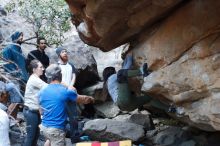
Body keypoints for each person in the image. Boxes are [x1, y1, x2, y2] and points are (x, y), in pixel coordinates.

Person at [39, 64, 94, 146]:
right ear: (60, 75)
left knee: (49, 140)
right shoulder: (65, 91)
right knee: (54, 138)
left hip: (44, 127)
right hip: (56, 130)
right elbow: (82, 99)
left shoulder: (43, 91)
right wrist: (91, 98)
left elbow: (41, 110)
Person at [103, 52, 170, 111]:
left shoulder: (108, 84)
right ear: (111, 72)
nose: (116, 72)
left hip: (126, 107)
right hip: (123, 101)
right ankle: (141, 71)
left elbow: (125, 71)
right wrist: (129, 56)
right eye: (115, 71)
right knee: (121, 73)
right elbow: (125, 69)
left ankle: (170, 109)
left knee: (149, 97)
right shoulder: (111, 78)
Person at [23, 59, 47, 146]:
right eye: (41, 67)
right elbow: (48, 87)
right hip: (30, 112)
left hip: (35, 111)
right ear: (34, 69)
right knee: (30, 136)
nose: (43, 69)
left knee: (35, 135)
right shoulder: (34, 79)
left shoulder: (36, 78)